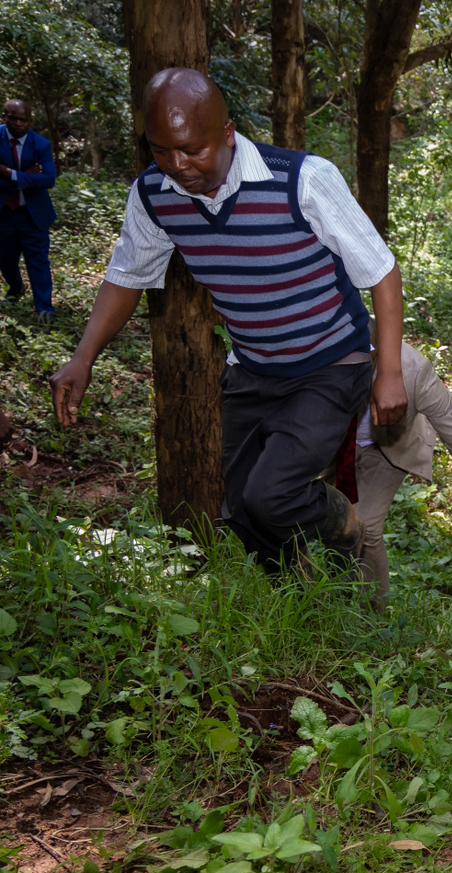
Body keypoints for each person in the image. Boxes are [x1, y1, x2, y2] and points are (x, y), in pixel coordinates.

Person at [49, 68, 407, 570]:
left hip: (331, 361)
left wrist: (389, 372)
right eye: (161, 150)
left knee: (271, 496)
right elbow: (127, 277)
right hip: (254, 365)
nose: (178, 164)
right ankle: (290, 595)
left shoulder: (302, 180)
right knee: (238, 506)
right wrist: (82, 357)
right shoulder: (154, 196)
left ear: (227, 133)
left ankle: (339, 521)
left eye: (193, 150)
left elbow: (383, 274)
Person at [355, 343, 452, 603]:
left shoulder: (413, 370)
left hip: (387, 446)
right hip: (327, 443)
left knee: (365, 527)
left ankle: (372, 613)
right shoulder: (314, 348)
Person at [1, 100, 58, 322]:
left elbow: (48, 179)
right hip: (4, 212)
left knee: (38, 261)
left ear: (30, 121)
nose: (15, 123)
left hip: (32, 214)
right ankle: (16, 289)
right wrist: (29, 175)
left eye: (21, 119)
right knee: (5, 258)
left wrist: (9, 173)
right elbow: (37, 179)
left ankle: (44, 307)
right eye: (10, 117)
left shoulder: (40, 145)